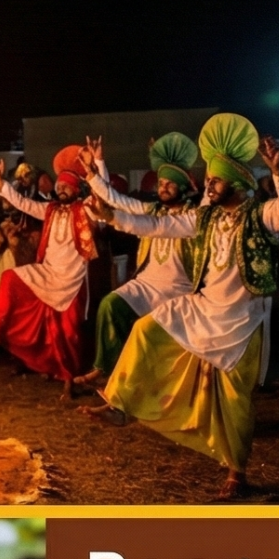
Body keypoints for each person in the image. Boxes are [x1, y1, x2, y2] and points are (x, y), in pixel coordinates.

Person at [96, 117, 279, 497]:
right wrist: (114, 218)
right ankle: (121, 403)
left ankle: (236, 473)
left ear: (237, 184)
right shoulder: (205, 218)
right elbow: (160, 227)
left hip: (243, 319)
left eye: (215, 181)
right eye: (208, 179)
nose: (208, 185)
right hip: (204, 306)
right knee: (145, 328)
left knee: (236, 402)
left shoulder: (261, 215)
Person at [80, 135, 201, 387]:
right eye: (162, 182)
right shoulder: (152, 210)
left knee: (151, 333)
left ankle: (144, 381)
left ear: (183, 188)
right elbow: (116, 200)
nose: (164, 187)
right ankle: (107, 369)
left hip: (179, 290)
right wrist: (96, 170)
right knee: (110, 305)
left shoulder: (195, 216)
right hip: (146, 284)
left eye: (170, 184)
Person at [0, 146, 98, 388]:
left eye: (67, 186)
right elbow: (23, 203)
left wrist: (94, 169)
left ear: (76, 189)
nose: (61, 189)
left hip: (72, 281)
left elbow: (101, 198)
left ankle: (68, 378)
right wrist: (1, 184)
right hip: (48, 272)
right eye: (59, 185)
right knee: (10, 277)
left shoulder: (85, 211)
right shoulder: (49, 210)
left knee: (69, 332)